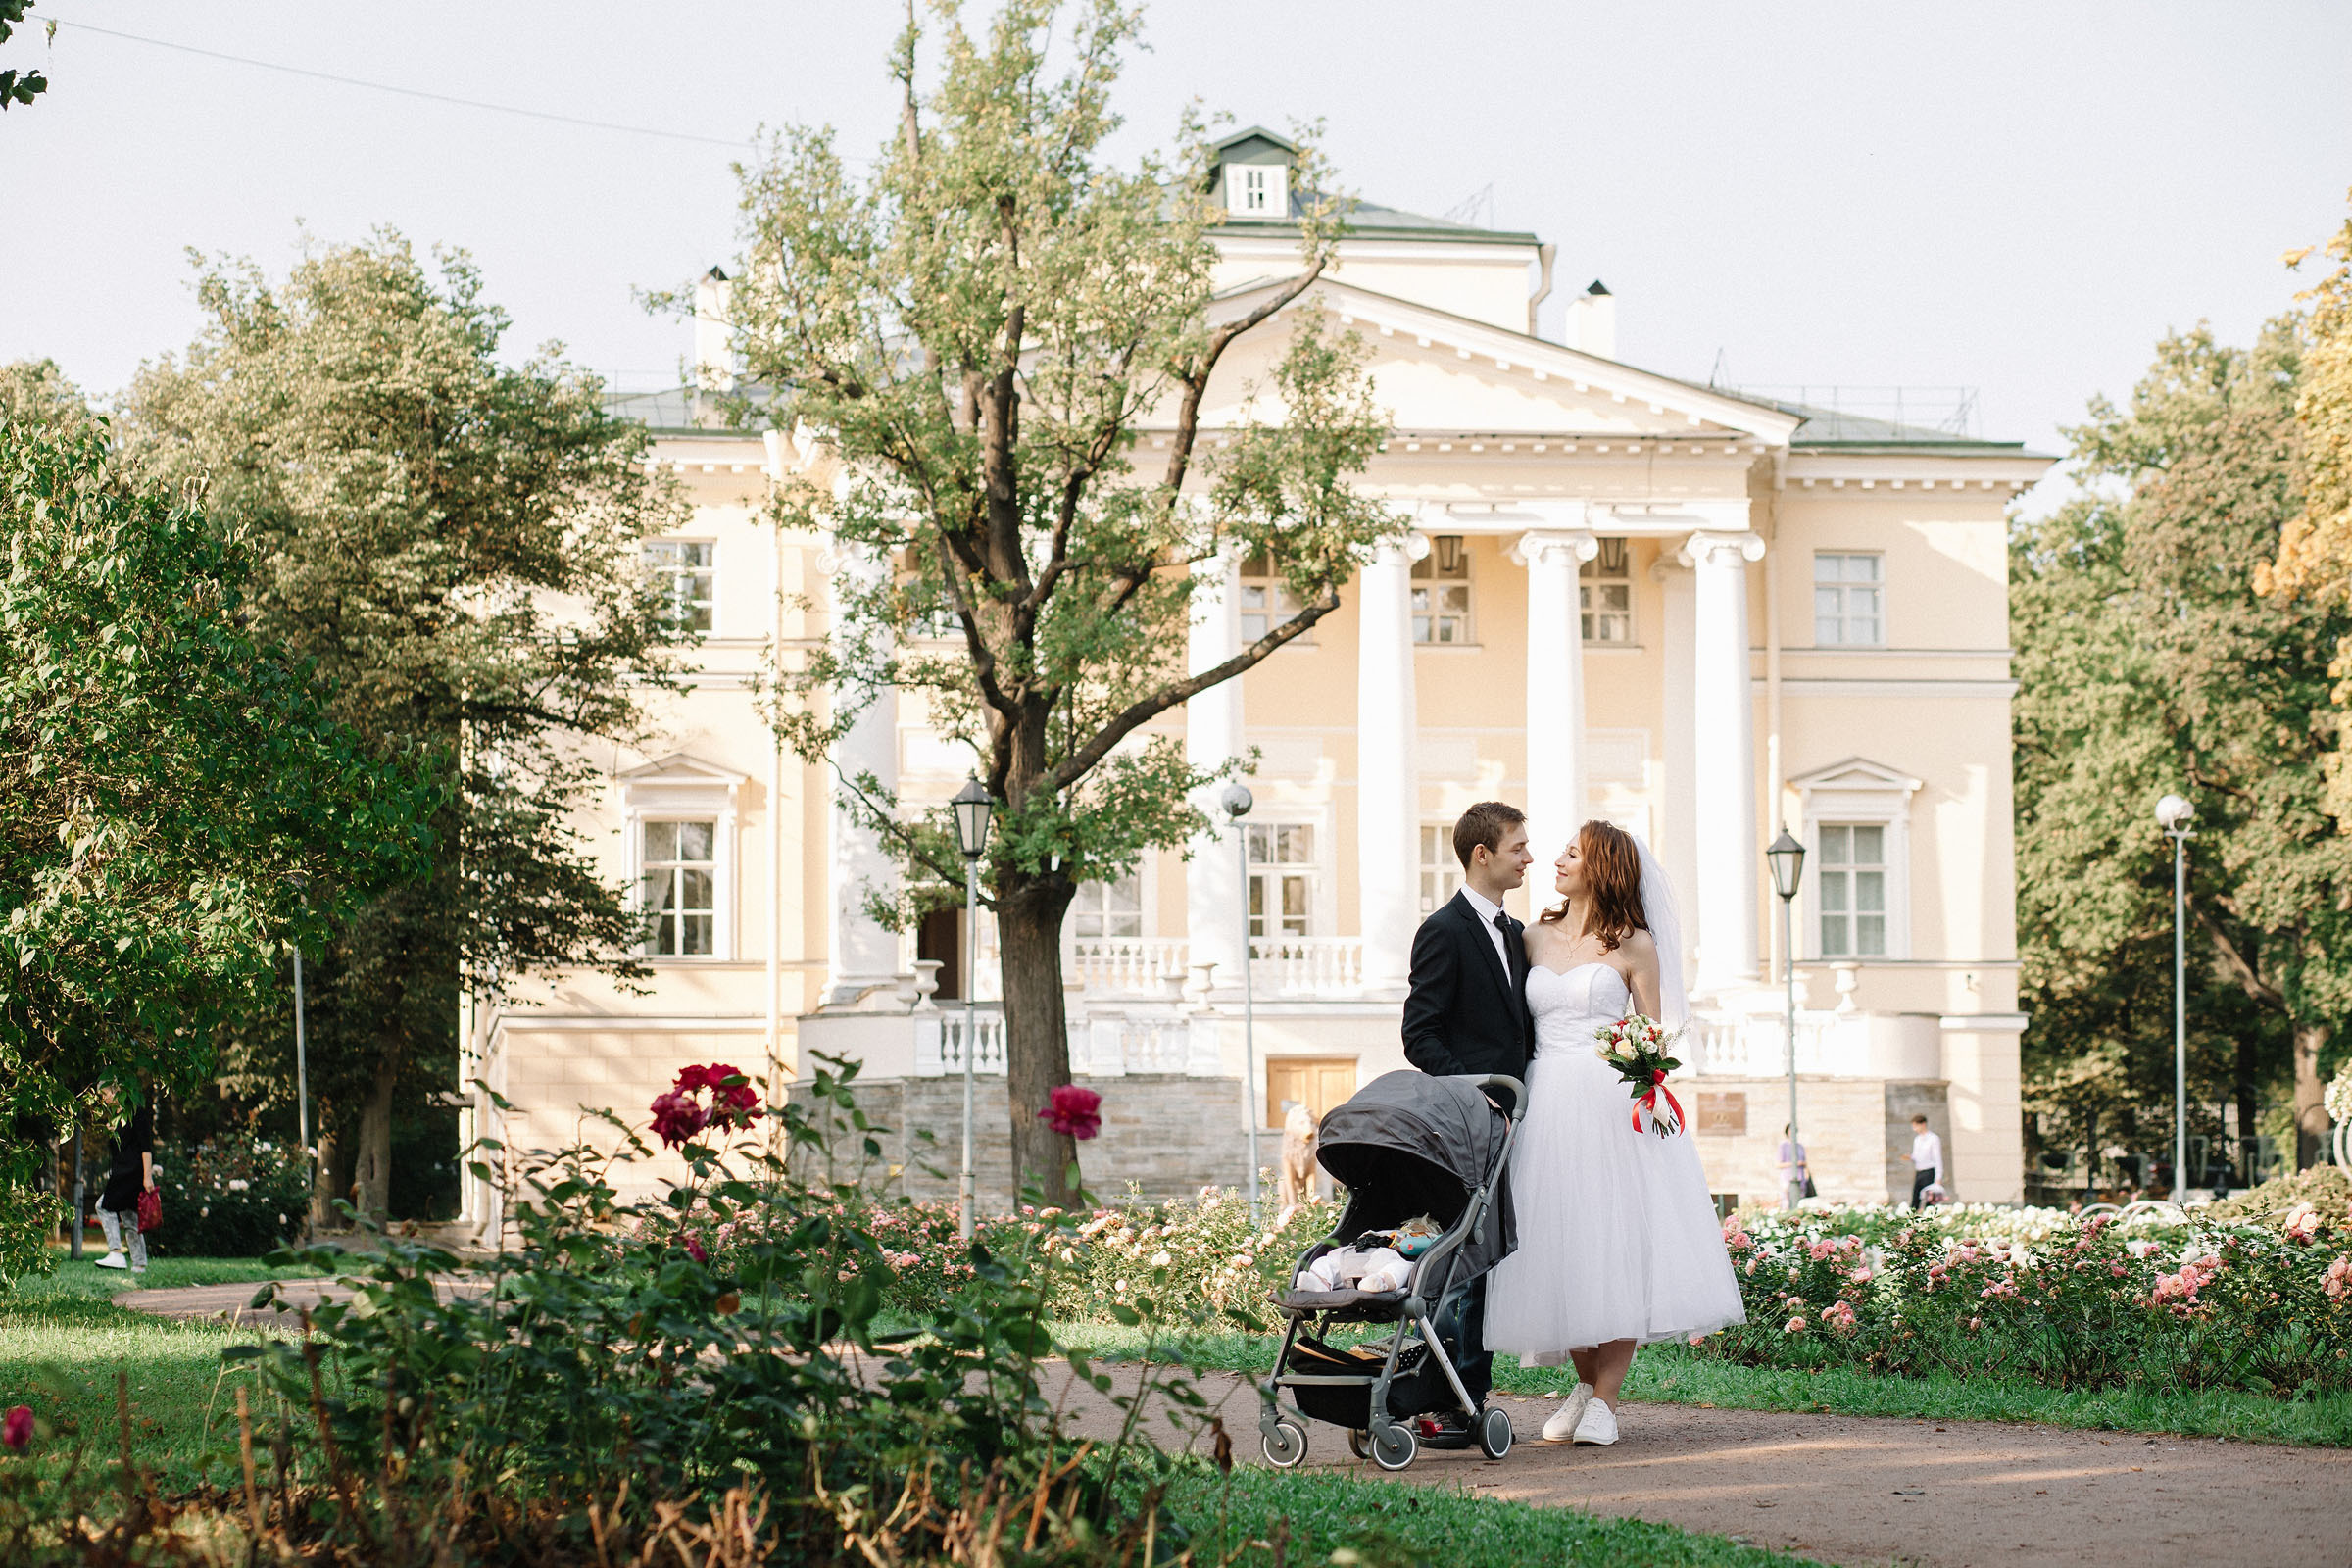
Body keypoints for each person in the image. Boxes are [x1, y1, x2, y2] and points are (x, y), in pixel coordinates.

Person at [1485, 820, 1746, 1447]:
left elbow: (1653, 1034)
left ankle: (1607, 1398)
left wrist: (1648, 1076)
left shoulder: (1636, 945)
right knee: (1557, 1243)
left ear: (1601, 867)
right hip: (1545, 1103)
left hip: (1612, 1106)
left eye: (1572, 853)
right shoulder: (1531, 938)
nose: (1556, 860)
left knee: (1617, 1241)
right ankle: (1582, 1383)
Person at [1398, 800, 1536, 1444]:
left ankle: (1465, 1396)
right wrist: (1476, 1095)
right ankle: (1448, 1403)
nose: (1528, 858)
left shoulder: (1514, 933)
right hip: (1467, 1126)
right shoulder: (1444, 929)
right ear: (1482, 854)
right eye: (1518, 847)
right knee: (1461, 1265)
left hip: (1514, 1125)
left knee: (1487, 1262)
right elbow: (1418, 1036)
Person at [95, 1094, 155, 1274]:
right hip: (121, 1172)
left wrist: (148, 1176)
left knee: (103, 1207)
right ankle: (139, 1264)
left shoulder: (136, 1113)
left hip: (132, 1173)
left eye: (104, 1093)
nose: (102, 1098)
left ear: (116, 1091)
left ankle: (116, 1253)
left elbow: (146, 1147)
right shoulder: (116, 1117)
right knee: (130, 1217)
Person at [1907, 1114, 1943, 1209]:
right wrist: (1910, 1157)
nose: (1914, 1129)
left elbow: (1937, 1158)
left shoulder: (1933, 1138)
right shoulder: (1917, 1139)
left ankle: (1929, 1220)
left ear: (1923, 1124)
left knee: (1930, 1200)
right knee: (1915, 1199)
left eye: (1916, 1126)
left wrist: (1938, 1177)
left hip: (1929, 1171)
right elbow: (1917, 1156)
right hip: (1919, 1171)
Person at [1778, 1125, 1814, 1205]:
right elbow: (1779, 1164)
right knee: (1787, 1200)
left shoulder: (1800, 1146)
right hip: (1788, 1176)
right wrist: (1795, 1164)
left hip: (1800, 1175)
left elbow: (1805, 1162)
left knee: (1801, 1199)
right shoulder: (1783, 1146)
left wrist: (1807, 1173)